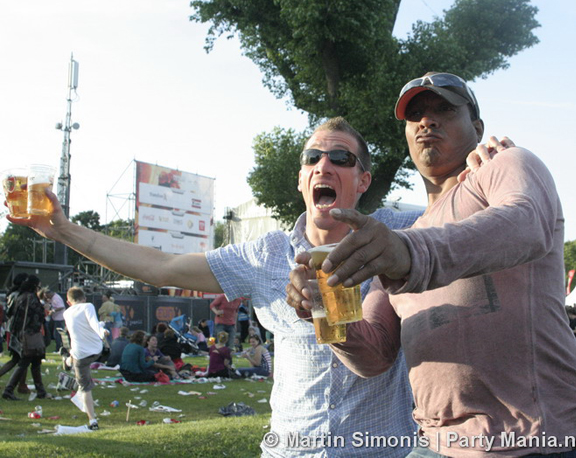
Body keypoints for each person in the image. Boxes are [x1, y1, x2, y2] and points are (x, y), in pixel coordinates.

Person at [7, 116, 497, 456]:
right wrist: (64, 231)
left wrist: (487, 163)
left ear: (363, 180)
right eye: (313, 157)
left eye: (341, 158)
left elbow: (472, 212)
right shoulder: (263, 256)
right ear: (303, 178)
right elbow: (163, 267)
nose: (325, 165)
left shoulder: (399, 230)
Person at [287, 72, 576, 456]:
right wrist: (323, 311)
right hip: (435, 444)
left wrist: (410, 254)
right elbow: (375, 355)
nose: (427, 121)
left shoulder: (505, 166)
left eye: (444, 110)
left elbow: (527, 223)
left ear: (477, 127)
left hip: (534, 440)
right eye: (415, 114)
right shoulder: (406, 236)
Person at [2, 275, 52, 401]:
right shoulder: (31, 298)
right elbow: (36, 317)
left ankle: (41, 391)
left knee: (34, 362)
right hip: (30, 335)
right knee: (24, 362)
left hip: (20, 333)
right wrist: (44, 310)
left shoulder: (21, 296)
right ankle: (9, 390)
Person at [63, 286, 105, 430]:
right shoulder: (88, 306)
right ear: (84, 298)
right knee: (84, 385)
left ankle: (92, 420)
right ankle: (68, 360)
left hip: (79, 354)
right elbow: (93, 322)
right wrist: (102, 331)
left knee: (85, 388)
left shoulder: (66, 313)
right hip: (95, 350)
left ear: (68, 302)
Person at [0, 273, 31, 394]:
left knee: (21, 359)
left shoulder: (13, 295)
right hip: (17, 330)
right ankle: (21, 385)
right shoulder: (19, 296)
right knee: (19, 359)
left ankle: (22, 385)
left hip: (12, 329)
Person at [40, 288, 66, 353]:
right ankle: (59, 348)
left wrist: (53, 311)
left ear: (50, 293)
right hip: (56, 318)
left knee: (57, 335)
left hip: (59, 318)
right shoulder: (53, 298)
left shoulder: (56, 298)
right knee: (56, 334)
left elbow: (61, 306)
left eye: (46, 295)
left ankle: (59, 349)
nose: (46, 297)